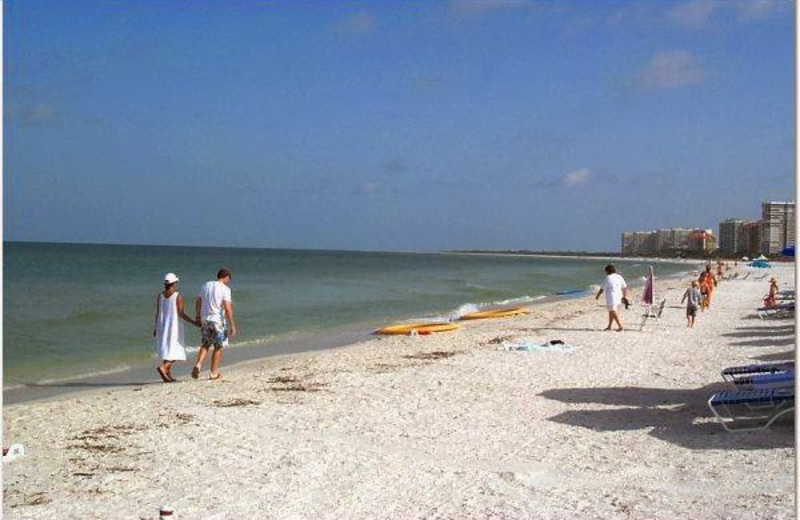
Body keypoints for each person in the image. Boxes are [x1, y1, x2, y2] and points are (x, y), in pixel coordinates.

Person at [192, 268, 237, 381]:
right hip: (217, 320)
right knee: (218, 346)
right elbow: (227, 308)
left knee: (206, 344)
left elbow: (198, 302)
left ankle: (198, 364)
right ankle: (213, 373)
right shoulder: (225, 289)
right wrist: (232, 325)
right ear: (226, 277)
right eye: (228, 279)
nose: (228, 282)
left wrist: (197, 317)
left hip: (205, 319)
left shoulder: (205, 285)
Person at [153, 273, 199, 383]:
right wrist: (193, 322)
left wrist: (155, 328)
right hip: (173, 326)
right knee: (177, 349)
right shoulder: (177, 296)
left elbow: (158, 313)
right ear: (174, 283)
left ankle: (168, 375)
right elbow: (181, 313)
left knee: (167, 350)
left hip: (162, 325)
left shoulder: (160, 296)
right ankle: (164, 367)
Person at [595, 264, 630, 332]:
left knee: (613, 311)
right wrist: (624, 296)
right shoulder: (619, 276)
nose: (605, 273)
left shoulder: (608, 278)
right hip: (618, 296)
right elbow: (624, 287)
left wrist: (598, 295)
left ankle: (620, 326)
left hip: (611, 297)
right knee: (611, 311)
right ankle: (609, 326)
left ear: (608, 271)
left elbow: (602, 288)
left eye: (606, 271)